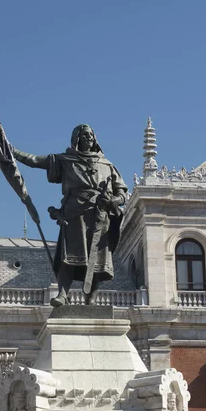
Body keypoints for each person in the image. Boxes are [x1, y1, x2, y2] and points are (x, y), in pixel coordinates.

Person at [12, 125, 127, 306]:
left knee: (96, 259)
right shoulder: (66, 160)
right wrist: (10, 150)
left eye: (91, 135)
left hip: (100, 215)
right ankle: (63, 295)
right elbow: (34, 160)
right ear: (77, 139)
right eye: (85, 135)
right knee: (70, 255)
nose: (89, 138)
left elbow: (122, 193)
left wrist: (113, 201)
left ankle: (91, 300)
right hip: (74, 213)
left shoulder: (107, 164)